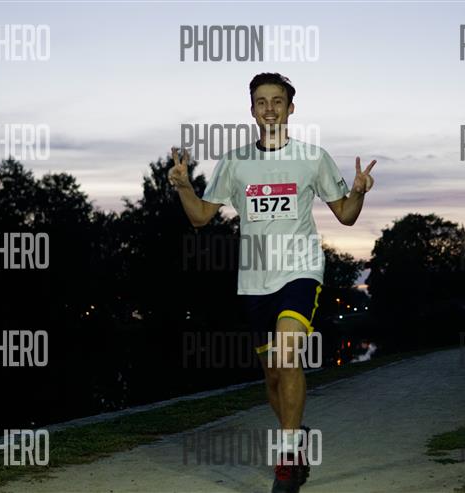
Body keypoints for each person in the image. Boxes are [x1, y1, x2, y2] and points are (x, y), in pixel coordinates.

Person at [169, 73, 376, 493]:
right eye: (261, 102)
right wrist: (184, 186)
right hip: (254, 279)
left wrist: (358, 192)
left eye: (277, 101)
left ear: (290, 108)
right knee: (273, 378)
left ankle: (286, 460)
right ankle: (295, 436)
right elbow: (200, 217)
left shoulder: (312, 158)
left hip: (300, 270)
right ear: (252, 110)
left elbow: (346, 215)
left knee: (287, 354)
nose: (269, 109)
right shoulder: (235, 162)